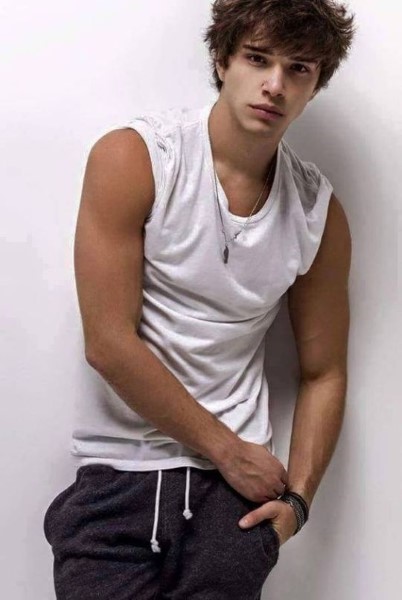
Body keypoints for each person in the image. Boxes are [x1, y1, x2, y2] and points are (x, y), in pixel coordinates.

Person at [43, 1, 356, 598]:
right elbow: (108, 343)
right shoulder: (137, 158)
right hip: (119, 479)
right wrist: (227, 450)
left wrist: (297, 505)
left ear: (315, 84)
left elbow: (324, 372)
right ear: (222, 59)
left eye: (299, 69)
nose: (275, 85)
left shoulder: (318, 212)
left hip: (234, 508)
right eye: (258, 59)